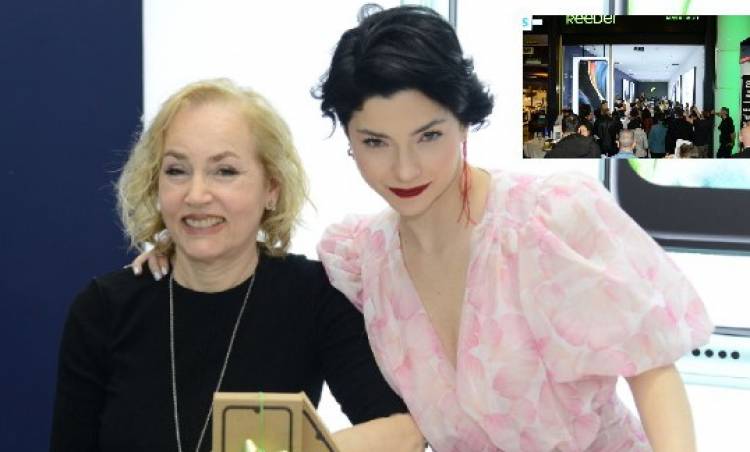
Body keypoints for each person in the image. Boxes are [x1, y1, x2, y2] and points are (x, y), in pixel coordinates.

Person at [137, 6, 713, 451]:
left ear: (464, 121)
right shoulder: (361, 259)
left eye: (429, 136)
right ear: (348, 139)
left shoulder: (551, 218)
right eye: (375, 142)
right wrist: (177, 249)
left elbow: (651, 371)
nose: (405, 169)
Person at [51, 79, 424, 452]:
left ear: (271, 188)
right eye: (177, 171)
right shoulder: (104, 308)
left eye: (225, 171)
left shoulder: (314, 295)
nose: (196, 195)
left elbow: (404, 432)